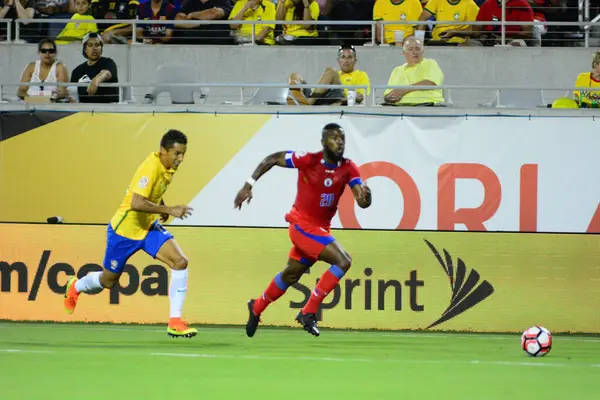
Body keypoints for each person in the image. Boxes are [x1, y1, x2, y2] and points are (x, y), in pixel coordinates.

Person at [234, 123, 372, 338]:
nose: (340, 142)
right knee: (343, 260)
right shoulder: (308, 160)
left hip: (319, 230)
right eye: (334, 138)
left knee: (289, 276)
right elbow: (272, 158)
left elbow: (361, 201)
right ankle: (308, 312)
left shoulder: (348, 167)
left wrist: (367, 198)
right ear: (323, 142)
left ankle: (256, 307)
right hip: (302, 226)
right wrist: (248, 184)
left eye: (342, 138)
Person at [64, 130, 198, 338]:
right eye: (177, 153)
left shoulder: (166, 166)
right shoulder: (150, 167)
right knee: (108, 281)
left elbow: (151, 193)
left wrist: (160, 206)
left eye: (183, 154)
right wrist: (169, 209)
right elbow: (136, 203)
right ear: (163, 150)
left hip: (147, 228)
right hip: (124, 232)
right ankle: (77, 285)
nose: (181, 159)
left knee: (180, 262)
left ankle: (175, 321)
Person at [70, 32, 119, 103]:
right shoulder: (77, 71)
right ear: (85, 49)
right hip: (84, 110)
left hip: (108, 109)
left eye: (97, 45)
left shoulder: (109, 63)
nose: (94, 48)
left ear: (101, 48)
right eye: (90, 45)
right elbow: (72, 95)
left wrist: (96, 80)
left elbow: (106, 73)